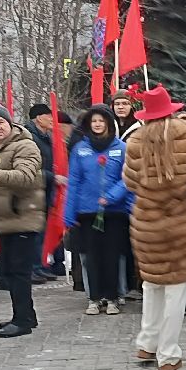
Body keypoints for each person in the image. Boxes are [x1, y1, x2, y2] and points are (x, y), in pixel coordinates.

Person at [124, 86, 186, 370]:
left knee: (152, 284)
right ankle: (168, 354)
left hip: (148, 224)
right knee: (176, 290)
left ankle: (146, 343)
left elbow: (129, 182)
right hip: (182, 223)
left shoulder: (135, 140)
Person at [0, 105, 42, 338]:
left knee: (19, 271)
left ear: (10, 124)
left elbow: (26, 176)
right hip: (3, 219)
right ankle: (26, 315)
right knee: (11, 271)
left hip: (23, 217)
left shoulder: (25, 145)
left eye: (1, 122)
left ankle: (22, 320)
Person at [65, 104, 134, 316]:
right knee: (91, 257)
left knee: (112, 256)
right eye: (93, 121)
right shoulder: (80, 149)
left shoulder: (121, 148)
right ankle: (94, 298)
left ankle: (113, 297)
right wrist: (69, 212)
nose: (97, 124)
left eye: (101, 121)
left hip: (114, 212)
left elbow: (128, 178)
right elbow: (74, 180)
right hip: (87, 213)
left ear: (108, 124)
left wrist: (112, 196)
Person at [25, 103, 61, 281]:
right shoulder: (29, 137)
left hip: (44, 189)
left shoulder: (46, 136)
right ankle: (31, 267)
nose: (53, 120)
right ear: (39, 118)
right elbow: (30, 168)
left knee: (40, 231)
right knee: (33, 231)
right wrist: (52, 177)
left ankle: (38, 265)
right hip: (32, 190)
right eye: (49, 116)